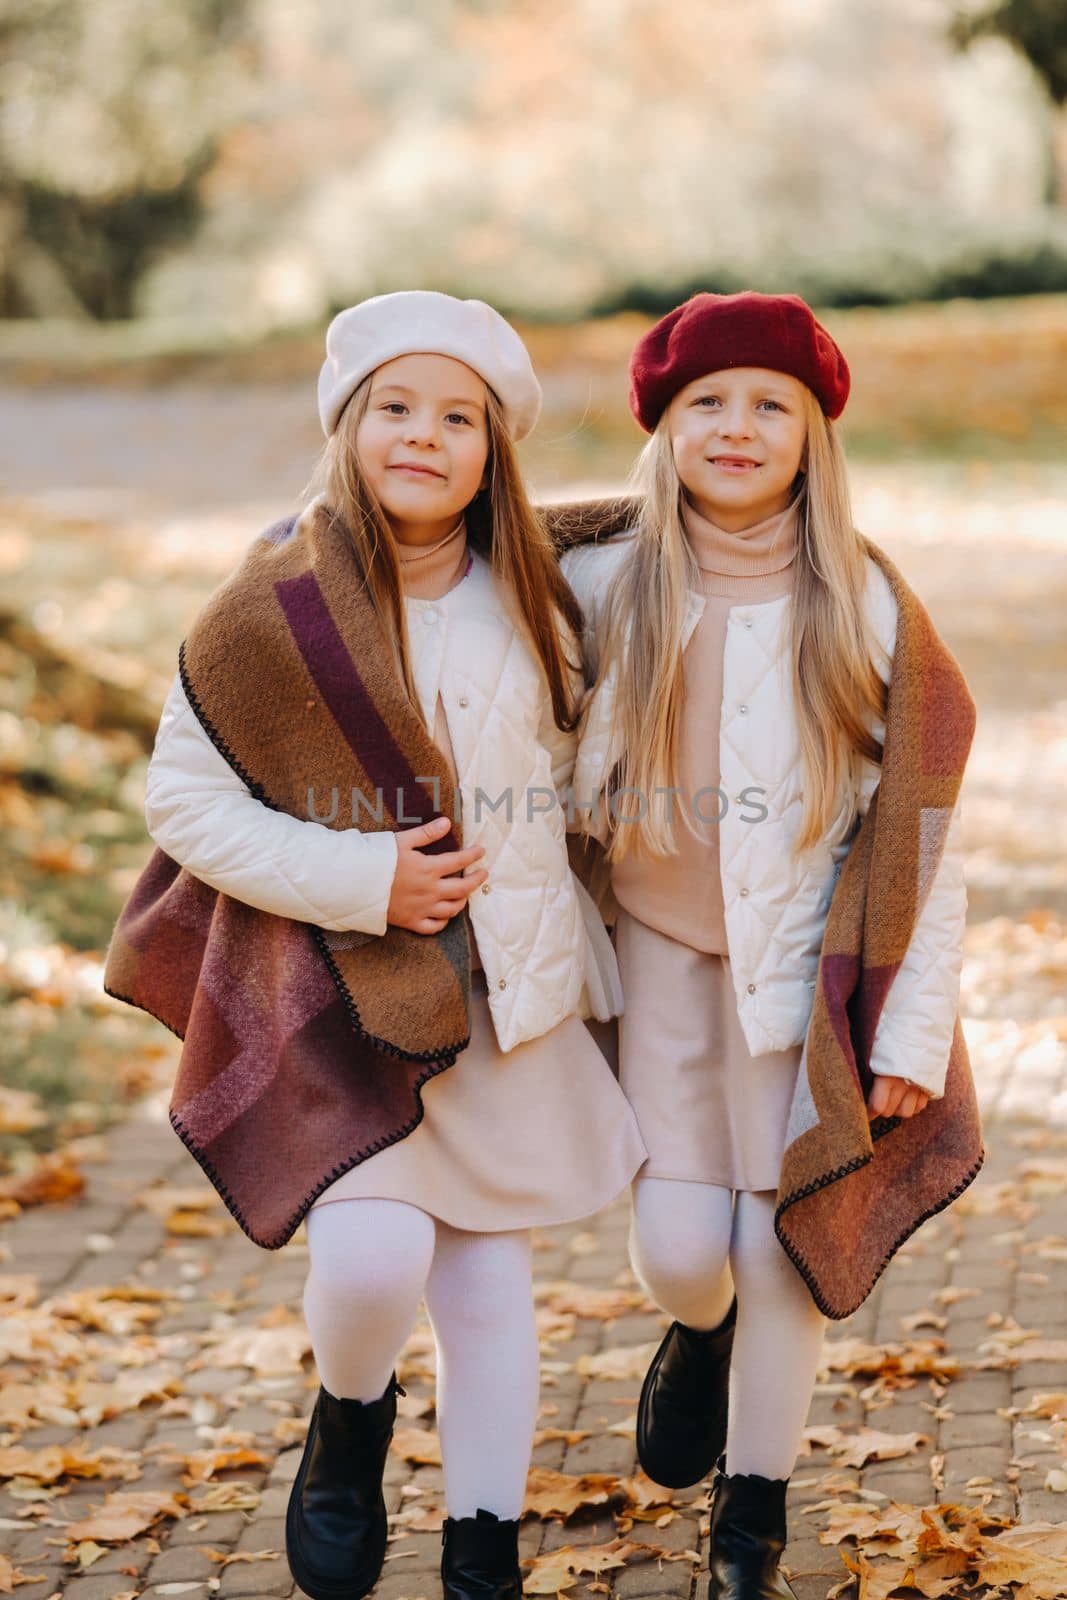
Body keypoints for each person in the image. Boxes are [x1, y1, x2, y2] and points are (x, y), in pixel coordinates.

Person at [127, 291, 646, 1600]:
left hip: (506, 1001)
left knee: (485, 1288)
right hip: (353, 994)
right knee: (368, 1261)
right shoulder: (273, 603)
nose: (427, 436)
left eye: (460, 417)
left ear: (494, 446)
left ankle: (484, 1551)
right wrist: (366, 879)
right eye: (398, 409)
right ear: (352, 426)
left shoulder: (538, 589)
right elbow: (184, 804)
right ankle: (349, 1418)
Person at [560, 291, 971, 1600]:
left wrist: (905, 1029)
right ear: (664, 428)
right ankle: (702, 1333)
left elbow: (923, 835)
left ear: (814, 435)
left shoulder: (862, 606)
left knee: (781, 1234)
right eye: (707, 405)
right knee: (688, 1249)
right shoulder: (593, 582)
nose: (737, 428)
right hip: (658, 968)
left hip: (805, 978)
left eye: (770, 407)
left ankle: (756, 1510)